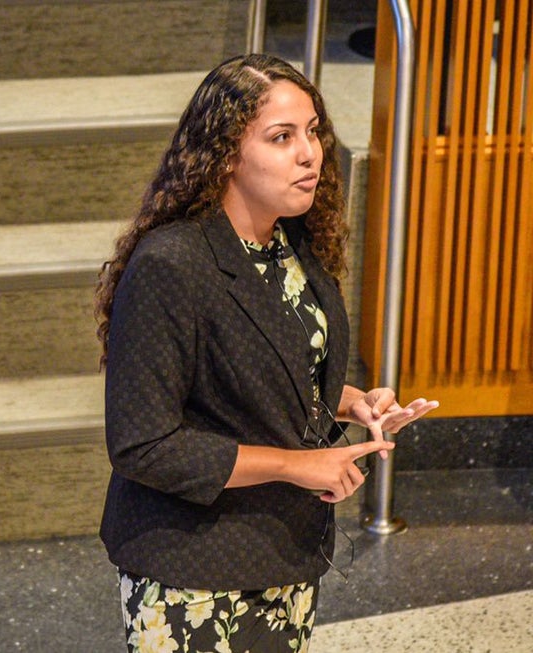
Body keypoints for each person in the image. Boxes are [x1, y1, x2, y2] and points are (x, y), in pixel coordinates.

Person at [94, 53, 438, 653]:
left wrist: (351, 403)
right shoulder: (170, 265)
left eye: (313, 132)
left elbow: (271, 370)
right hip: (191, 571)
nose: (310, 153)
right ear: (225, 152)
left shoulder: (292, 243)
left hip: (287, 551)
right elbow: (143, 445)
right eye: (282, 137)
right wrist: (295, 464)